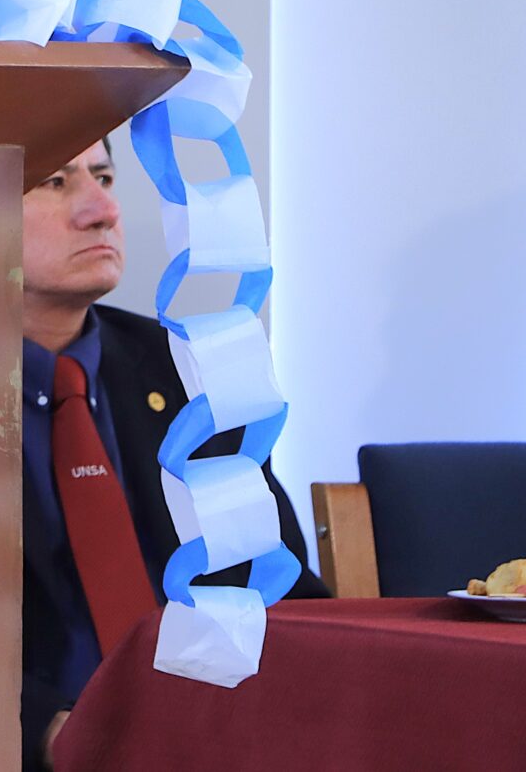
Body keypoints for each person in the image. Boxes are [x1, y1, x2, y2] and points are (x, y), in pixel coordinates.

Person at [21, 137, 324, 771]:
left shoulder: (188, 373)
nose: (103, 210)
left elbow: (281, 591)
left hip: (213, 738)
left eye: (104, 177)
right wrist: (43, 732)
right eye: (55, 181)